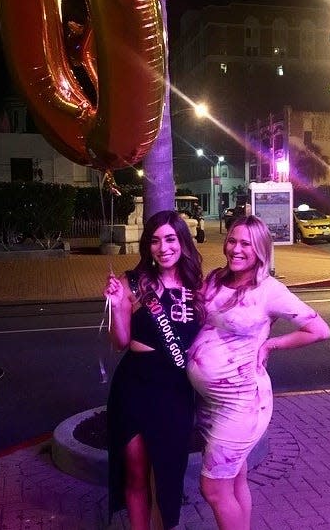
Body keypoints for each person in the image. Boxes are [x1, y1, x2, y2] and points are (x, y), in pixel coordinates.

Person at [187, 214, 330, 530]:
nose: (236, 249)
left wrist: (270, 345)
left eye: (246, 244)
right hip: (212, 404)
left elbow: (319, 330)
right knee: (236, 479)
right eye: (232, 240)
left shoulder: (269, 291)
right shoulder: (215, 278)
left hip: (242, 405)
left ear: (261, 250)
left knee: (212, 489)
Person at [103, 210, 205, 530]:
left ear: (183, 243)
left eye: (171, 239)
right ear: (148, 246)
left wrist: (261, 346)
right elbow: (120, 342)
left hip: (175, 390)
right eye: (155, 240)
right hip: (134, 386)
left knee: (167, 472)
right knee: (135, 471)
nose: (163, 247)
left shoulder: (197, 288)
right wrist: (117, 304)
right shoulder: (131, 283)